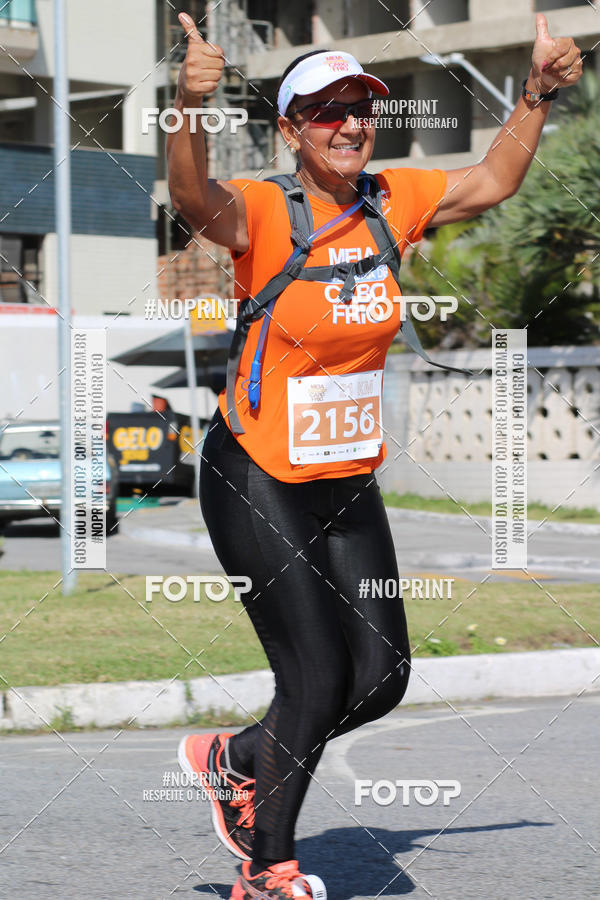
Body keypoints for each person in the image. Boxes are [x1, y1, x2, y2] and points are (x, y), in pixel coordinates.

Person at [168, 12, 581, 899]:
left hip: (346, 479)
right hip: (255, 474)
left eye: (361, 106)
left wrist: (539, 92)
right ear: (291, 129)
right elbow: (191, 201)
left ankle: (236, 758)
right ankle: (268, 865)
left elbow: (495, 177)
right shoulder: (265, 212)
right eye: (326, 111)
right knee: (314, 678)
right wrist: (187, 106)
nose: (350, 123)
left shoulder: (395, 200)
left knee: (381, 675)